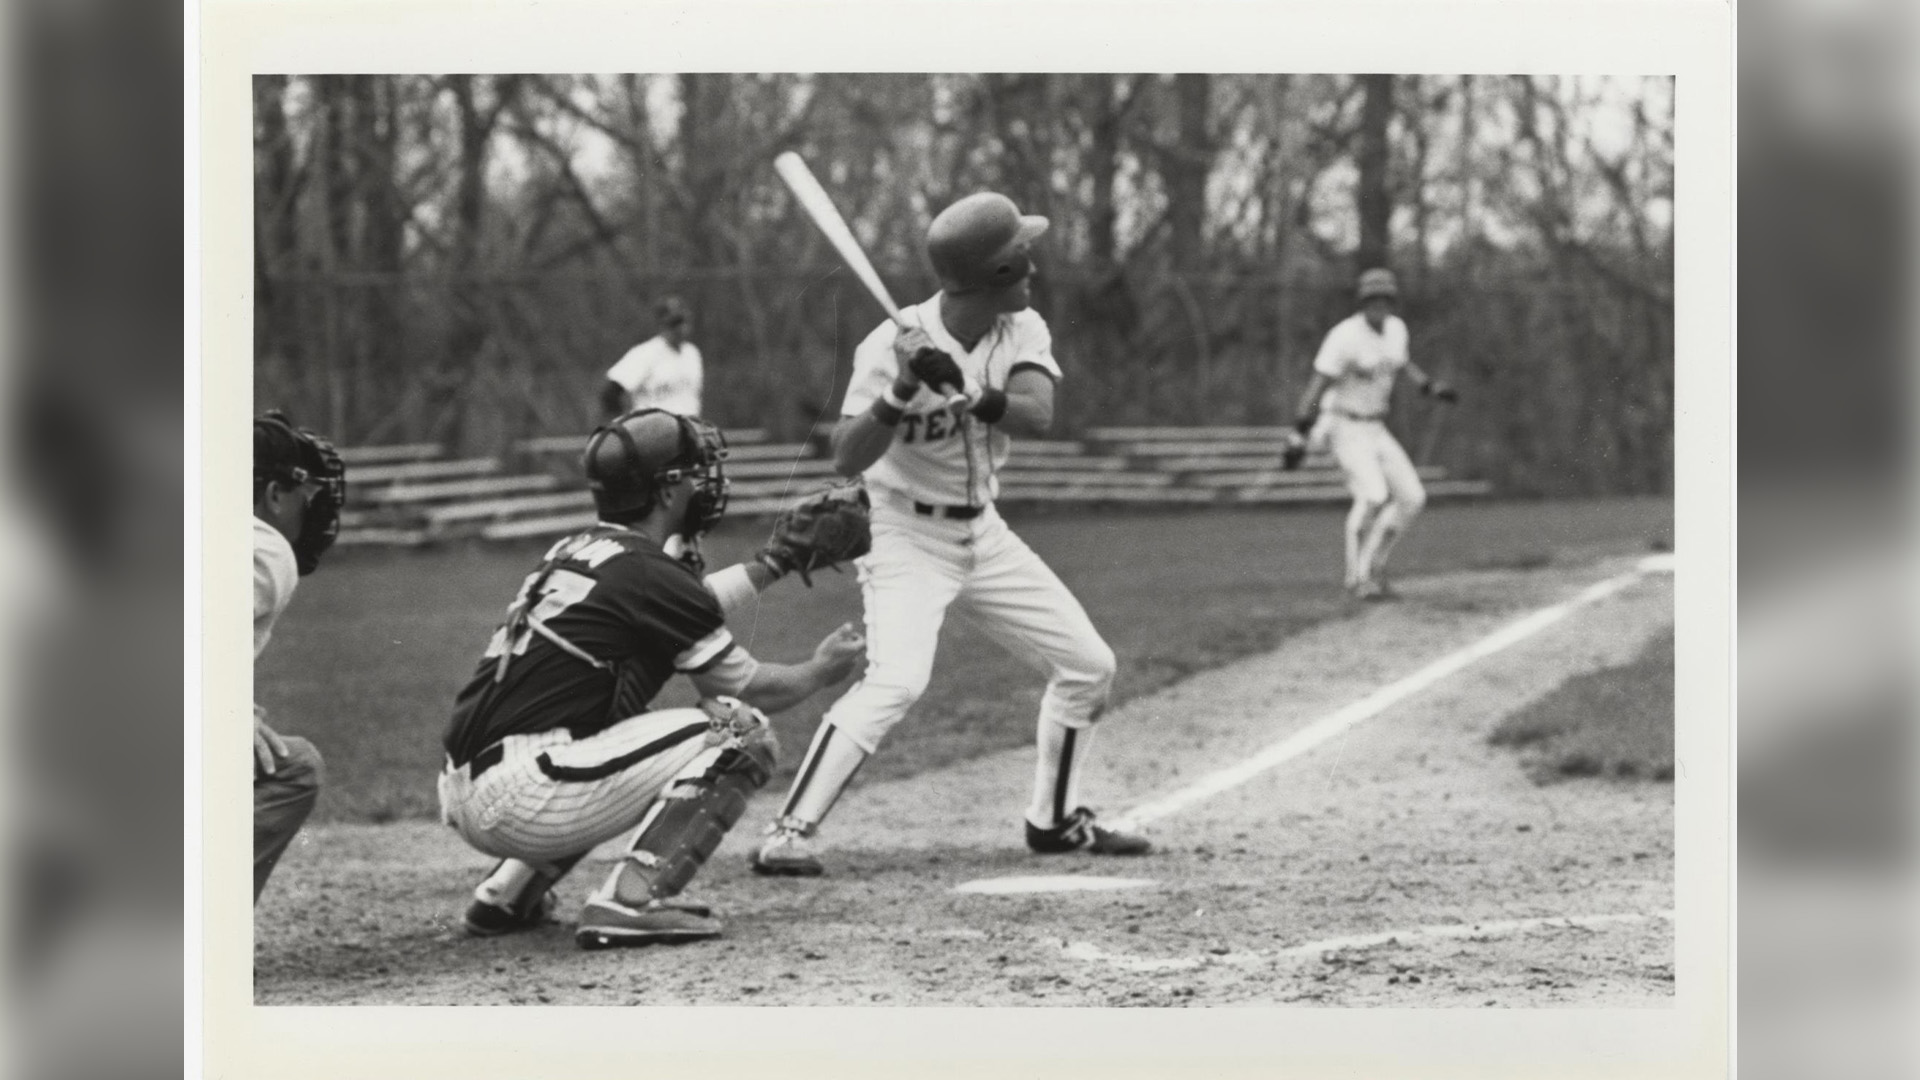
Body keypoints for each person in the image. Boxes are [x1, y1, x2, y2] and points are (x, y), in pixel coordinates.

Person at [750, 192, 1150, 878]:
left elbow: (1037, 415)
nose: (1033, 270)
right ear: (993, 274)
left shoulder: (1021, 329)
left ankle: (1053, 823)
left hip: (984, 534)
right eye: (1021, 259)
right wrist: (903, 388)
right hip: (905, 534)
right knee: (899, 681)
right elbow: (846, 455)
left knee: (1091, 667)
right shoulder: (888, 345)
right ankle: (790, 829)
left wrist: (967, 389)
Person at [439, 408, 870, 948]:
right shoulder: (649, 574)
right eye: (693, 472)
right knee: (741, 731)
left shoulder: (583, 550)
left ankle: (505, 896)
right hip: (525, 798)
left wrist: (776, 562)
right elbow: (748, 686)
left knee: (608, 742)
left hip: (477, 787)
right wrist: (820, 671)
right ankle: (629, 901)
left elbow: (678, 609)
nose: (704, 482)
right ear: (668, 491)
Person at [1288, 268, 1458, 600]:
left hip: (1376, 426)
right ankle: (1356, 578)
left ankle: (1374, 568)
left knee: (1412, 498)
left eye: (1384, 298)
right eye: (1372, 299)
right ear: (1362, 302)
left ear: (1392, 301)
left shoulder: (1396, 329)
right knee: (1374, 496)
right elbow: (1317, 384)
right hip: (1343, 425)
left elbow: (1400, 363)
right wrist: (1298, 434)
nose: (1378, 304)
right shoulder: (1344, 336)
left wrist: (1429, 387)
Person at [253, 411, 346, 900]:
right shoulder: (263, 545)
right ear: (272, 495)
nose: (309, 509)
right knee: (294, 768)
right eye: (302, 495)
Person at [601, 297, 703, 418]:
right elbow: (610, 393)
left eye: (682, 322)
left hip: (690, 428)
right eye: (674, 323)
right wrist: (624, 427)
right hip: (654, 431)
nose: (680, 328)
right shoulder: (646, 353)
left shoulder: (692, 353)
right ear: (661, 325)